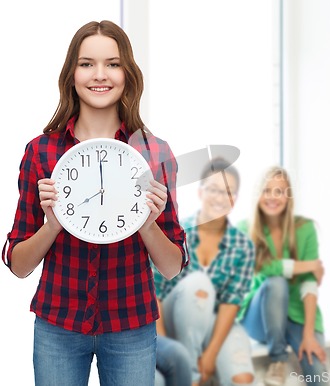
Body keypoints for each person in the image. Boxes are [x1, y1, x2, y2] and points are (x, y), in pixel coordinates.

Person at [2, 20, 189, 386]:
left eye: (113, 63)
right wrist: (52, 224)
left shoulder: (154, 154)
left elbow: (171, 267)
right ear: (72, 73)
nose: (99, 75)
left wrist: (148, 223)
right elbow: (18, 264)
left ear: (127, 74)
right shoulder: (41, 152)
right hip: (59, 324)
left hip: (131, 326)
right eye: (87, 63)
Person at [152, 157, 256, 386]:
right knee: (199, 284)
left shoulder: (243, 246)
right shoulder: (178, 233)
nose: (219, 198)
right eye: (213, 189)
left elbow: (231, 304)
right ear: (200, 192)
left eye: (227, 192)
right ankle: (191, 377)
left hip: (215, 325)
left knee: (243, 379)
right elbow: (154, 295)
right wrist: (169, 351)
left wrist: (210, 355)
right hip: (171, 321)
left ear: (234, 199)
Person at [238, 166, 329, 386]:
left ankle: (301, 339)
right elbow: (263, 267)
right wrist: (308, 264)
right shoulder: (245, 229)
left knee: (319, 375)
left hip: (296, 315)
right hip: (258, 316)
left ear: (288, 197)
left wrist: (308, 334)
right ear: (258, 194)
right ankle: (277, 360)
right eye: (266, 190)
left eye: (279, 191)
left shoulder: (305, 228)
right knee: (276, 283)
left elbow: (310, 282)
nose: (272, 197)